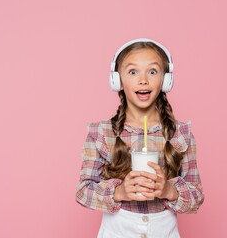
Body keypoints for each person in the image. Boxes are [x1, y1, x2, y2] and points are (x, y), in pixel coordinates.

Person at [75, 38, 205, 238]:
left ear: (165, 80)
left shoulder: (181, 134)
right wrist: (120, 192)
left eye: (152, 71)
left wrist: (169, 190)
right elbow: (83, 191)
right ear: (117, 80)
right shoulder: (102, 133)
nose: (143, 79)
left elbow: (196, 195)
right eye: (133, 72)